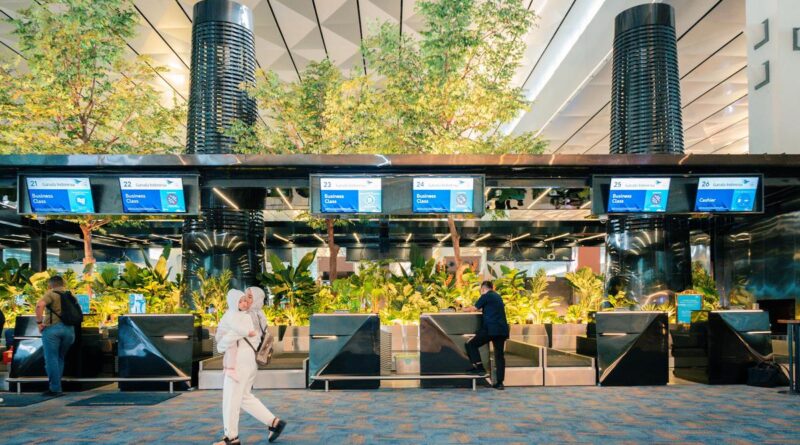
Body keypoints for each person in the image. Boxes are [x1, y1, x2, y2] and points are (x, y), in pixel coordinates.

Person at [215, 289, 286, 445]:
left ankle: (231, 438)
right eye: (243, 298)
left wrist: (222, 343)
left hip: (239, 361)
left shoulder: (245, 316)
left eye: (249, 297)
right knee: (243, 397)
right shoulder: (258, 314)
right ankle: (274, 422)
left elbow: (228, 340)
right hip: (249, 361)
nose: (245, 301)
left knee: (231, 399)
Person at [463, 280, 509, 390]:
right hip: (502, 330)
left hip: (490, 329)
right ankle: (500, 383)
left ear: (483, 289)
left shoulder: (486, 296)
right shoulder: (497, 297)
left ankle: (479, 367)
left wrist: (463, 309)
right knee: (499, 356)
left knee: (471, 344)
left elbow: (474, 308)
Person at [35, 275, 76, 396]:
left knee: (51, 359)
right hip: (69, 330)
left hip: (53, 329)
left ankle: (55, 389)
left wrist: (39, 323)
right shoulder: (71, 295)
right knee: (60, 358)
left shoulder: (51, 294)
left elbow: (39, 305)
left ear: (50, 284)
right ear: (63, 284)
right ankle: (57, 386)